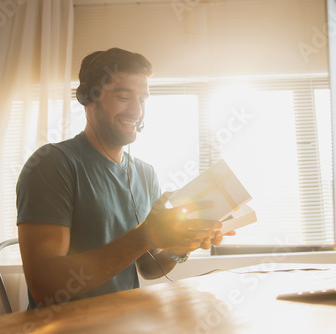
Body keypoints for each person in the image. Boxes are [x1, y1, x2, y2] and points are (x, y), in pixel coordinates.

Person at [16, 48, 231, 309]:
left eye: (142, 99)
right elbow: (44, 287)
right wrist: (146, 235)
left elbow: (149, 268)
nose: (136, 110)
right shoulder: (52, 164)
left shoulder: (145, 173)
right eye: (123, 96)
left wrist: (181, 244)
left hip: (124, 322)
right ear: (88, 98)